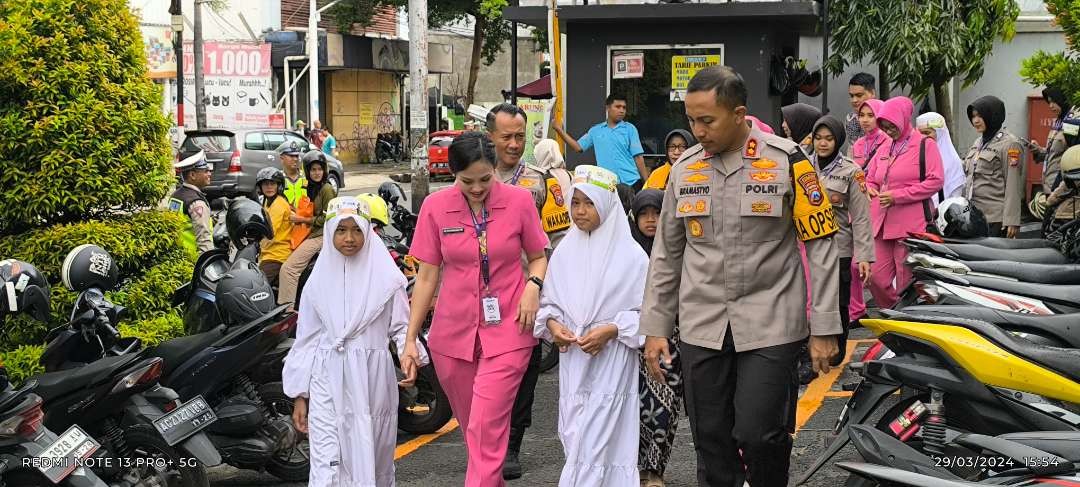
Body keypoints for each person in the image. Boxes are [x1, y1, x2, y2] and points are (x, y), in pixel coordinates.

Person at [641, 66, 841, 487]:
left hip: (771, 322)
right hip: (702, 325)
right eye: (691, 120)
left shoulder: (789, 160)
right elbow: (667, 253)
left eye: (707, 120)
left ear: (739, 113)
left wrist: (824, 327)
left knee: (759, 434)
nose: (697, 131)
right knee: (710, 438)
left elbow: (821, 245)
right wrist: (656, 327)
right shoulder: (684, 169)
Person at [400, 132, 549, 487]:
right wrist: (410, 339)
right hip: (452, 337)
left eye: (486, 178)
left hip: (511, 328)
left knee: (485, 425)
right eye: (468, 181)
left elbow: (539, 256)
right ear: (453, 174)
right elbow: (426, 277)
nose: (478, 187)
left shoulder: (518, 201)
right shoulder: (436, 208)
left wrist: (533, 286)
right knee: (477, 435)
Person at [282, 196, 429, 486]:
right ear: (329, 232)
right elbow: (306, 340)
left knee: (370, 456)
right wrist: (301, 395)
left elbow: (401, 327)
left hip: (371, 380)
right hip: (326, 378)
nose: (349, 238)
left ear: (367, 230)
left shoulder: (387, 279)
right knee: (327, 463)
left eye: (356, 230)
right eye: (340, 230)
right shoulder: (316, 283)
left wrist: (409, 355)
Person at [535, 165, 645, 487]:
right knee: (576, 435)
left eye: (589, 203)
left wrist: (612, 330)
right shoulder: (565, 251)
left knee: (599, 440)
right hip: (575, 362)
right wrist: (554, 327)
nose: (580, 211)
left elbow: (649, 313)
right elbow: (550, 303)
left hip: (612, 361)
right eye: (575, 202)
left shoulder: (632, 257)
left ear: (607, 204)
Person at [486, 104, 571, 479]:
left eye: (520, 136)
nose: (514, 143)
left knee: (523, 373)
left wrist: (547, 289)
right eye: (506, 136)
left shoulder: (539, 182)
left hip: (525, 294)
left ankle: (512, 444)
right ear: (490, 136)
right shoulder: (473, 176)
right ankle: (486, 440)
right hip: (479, 295)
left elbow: (559, 240)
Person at [866, 96, 944, 310]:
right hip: (881, 222)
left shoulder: (925, 145)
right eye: (884, 125)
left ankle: (907, 320)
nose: (888, 130)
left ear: (903, 119)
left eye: (892, 125)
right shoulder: (885, 147)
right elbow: (870, 176)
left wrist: (898, 196)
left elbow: (935, 180)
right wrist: (870, 187)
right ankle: (895, 313)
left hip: (911, 225)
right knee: (875, 277)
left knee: (906, 281)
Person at [629, 188, 683, 487]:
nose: (650, 221)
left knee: (665, 406)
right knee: (635, 408)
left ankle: (656, 471)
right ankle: (635, 468)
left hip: (671, 338)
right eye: (644, 214)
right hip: (632, 339)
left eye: (657, 213)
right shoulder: (626, 250)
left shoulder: (678, 248)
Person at [811, 116, 873, 365]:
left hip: (839, 246)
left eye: (828, 138)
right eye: (818, 138)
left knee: (838, 300)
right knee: (808, 300)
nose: (822, 144)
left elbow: (860, 217)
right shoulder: (802, 165)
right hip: (806, 246)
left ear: (838, 140)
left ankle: (837, 348)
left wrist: (865, 255)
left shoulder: (851, 171)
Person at [278, 151, 338, 310]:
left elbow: (330, 218)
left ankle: (286, 312)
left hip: (320, 235)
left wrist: (303, 220)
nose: (317, 173)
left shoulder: (326, 189)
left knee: (288, 270)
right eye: (313, 170)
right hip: (308, 233)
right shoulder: (310, 188)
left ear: (324, 170)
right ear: (307, 171)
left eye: (319, 169)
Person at [552, 94, 649, 188]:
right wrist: (559, 130)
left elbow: (638, 157)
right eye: (618, 107)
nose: (621, 110)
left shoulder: (630, 129)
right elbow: (578, 147)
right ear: (608, 108)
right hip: (607, 185)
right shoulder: (596, 130)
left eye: (624, 107)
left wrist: (647, 184)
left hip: (631, 182)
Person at [962, 95, 1026, 238]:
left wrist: (1012, 220)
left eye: (980, 116)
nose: (975, 121)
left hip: (995, 220)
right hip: (973, 216)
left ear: (993, 115)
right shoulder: (978, 142)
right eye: (973, 117)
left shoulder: (1010, 144)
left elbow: (1013, 184)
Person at [169, 150, 215, 254]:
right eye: (205, 171)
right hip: (193, 261)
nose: (209, 174)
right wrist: (208, 262)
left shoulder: (175, 196)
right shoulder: (196, 203)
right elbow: (204, 239)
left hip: (178, 257)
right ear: (193, 175)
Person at [916, 112, 967, 204]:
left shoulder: (952, 161)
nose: (923, 137)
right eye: (919, 133)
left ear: (940, 133)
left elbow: (955, 195)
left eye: (927, 132)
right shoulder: (915, 156)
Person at [256, 167, 293, 286]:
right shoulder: (267, 201)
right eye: (265, 184)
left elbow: (268, 230)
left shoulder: (279, 203)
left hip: (277, 255)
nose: (269, 187)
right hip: (268, 253)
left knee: (258, 286)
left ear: (279, 186)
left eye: (272, 183)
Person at [1031, 87, 1071, 195]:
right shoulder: (1058, 121)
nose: (1051, 106)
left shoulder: (1072, 124)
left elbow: (1073, 156)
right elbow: (1055, 154)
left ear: (1062, 100)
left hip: (1062, 189)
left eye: (1054, 101)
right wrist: (1038, 150)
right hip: (1049, 185)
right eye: (1049, 102)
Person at [850, 99, 889, 170]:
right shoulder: (858, 144)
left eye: (870, 115)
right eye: (861, 115)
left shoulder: (888, 141)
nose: (865, 120)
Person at [845, 73, 877, 145]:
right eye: (851, 96)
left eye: (859, 95)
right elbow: (853, 147)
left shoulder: (886, 116)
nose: (854, 100)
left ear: (872, 93)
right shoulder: (851, 119)